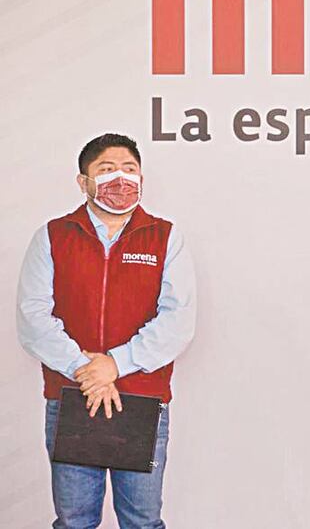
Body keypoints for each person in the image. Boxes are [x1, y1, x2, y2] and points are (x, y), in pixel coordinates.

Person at [16, 133, 196, 529]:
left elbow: (178, 320)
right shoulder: (53, 236)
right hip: (71, 397)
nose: (121, 178)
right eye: (106, 169)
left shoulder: (165, 237)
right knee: (74, 520)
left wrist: (115, 365)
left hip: (142, 400)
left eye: (130, 169)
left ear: (143, 178)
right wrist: (89, 372)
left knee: (143, 521)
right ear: (83, 182)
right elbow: (33, 319)